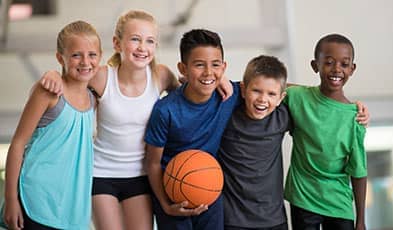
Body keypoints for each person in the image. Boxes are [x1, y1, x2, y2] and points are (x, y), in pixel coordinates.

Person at [39, 10, 232, 230]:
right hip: (101, 173)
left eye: (149, 41)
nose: (142, 47)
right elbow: (72, 77)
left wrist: (220, 78)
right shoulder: (102, 76)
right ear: (117, 43)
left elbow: (190, 95)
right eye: (135, 39)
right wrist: (54, 73)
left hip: (140, 176)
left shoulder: (161, 75)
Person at [3, 20, 101, 229]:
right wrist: (11, 199)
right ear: (60, 58)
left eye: (92, 54)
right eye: (76, 55)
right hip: (36, 198)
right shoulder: (49, 91)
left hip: (73, 208)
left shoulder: (94, 97)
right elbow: (18, 144)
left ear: (100, 57)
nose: (85, 61)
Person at [144, 28, 242, 230]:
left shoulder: (228, 95)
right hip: (172, 193)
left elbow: (271, 87)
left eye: (215, 65)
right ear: (183, 68)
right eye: (199, 65)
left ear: (223, 67)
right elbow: (152, 163)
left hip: (210, 188)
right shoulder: (165, 110)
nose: (208, 72)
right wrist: (165, 204)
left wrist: (312, 91)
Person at [284, 33, 367, 230]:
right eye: (329, 62)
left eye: (344, 64)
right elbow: (269, 86)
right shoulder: (298, 97)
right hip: (304, 197)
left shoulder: (355, 117)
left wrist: (361, 220)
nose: (337, 69)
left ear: (352, 69)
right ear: (315, 65)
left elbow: (358, 170)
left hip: (339, 203)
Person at [218, 55, 290, 230]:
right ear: (243, 90)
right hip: (233, 220)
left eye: (271, 94)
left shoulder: (283, 116)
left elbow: (314, 98)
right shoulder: (226, 113)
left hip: (274, 220)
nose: (262, 99)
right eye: (256, 91)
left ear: (281, 98)